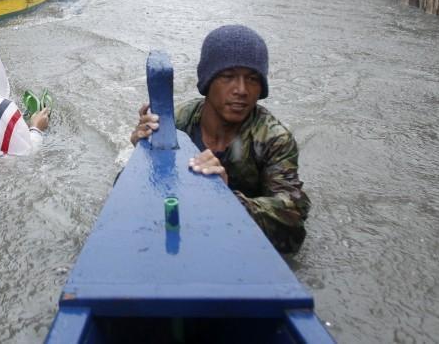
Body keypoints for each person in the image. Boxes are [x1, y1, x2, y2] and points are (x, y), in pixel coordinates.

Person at [130, 25, 310, 254]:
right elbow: (152, 193)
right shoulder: (177, 124)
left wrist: (225, 197)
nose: (242, 90)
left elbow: (293, 219)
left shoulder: (274, 139)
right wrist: (144, 151)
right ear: (207, 82)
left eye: (253, 79)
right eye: (228, 77)